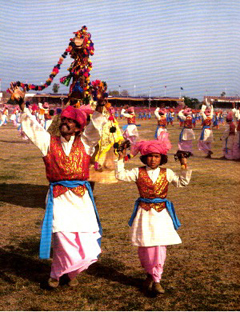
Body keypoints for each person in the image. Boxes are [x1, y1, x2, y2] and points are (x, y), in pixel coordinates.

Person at [9, 84, 107, 288]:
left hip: (81, 198)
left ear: (78, 127)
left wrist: (99, 106)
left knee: (84, 236)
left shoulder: (86, 143)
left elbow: (95, 128)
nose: (66, 124)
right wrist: (22, 106)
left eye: (71, 122)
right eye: (64, 120)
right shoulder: (49, 142)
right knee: (62, 236)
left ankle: (68, 274)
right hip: (58, 197)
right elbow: (34, 129)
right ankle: (56, 274)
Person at [115, 137, 192, 295]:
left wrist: (184, 164)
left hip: (161, 215)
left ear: (162, 158)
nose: (153, 159)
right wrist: (121, 157)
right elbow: (120, 175)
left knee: (159, 246)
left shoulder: (167, 173)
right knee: (145, 246)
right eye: (150, 155)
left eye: (156, 156)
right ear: (144, 157)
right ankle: (150, 273)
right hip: (144, 214)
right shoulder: (138, 172)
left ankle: (157, 279)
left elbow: (182, 182)